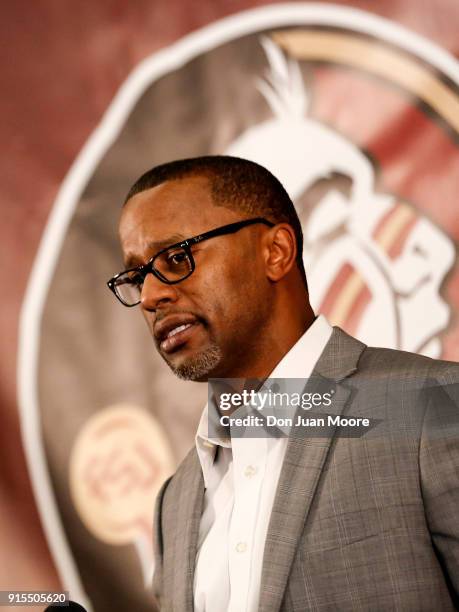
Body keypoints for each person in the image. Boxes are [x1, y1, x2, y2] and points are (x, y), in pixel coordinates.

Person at [108, 156, 459, 611]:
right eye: (136, 277)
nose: (152, 297)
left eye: (176, 258)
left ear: (276, 252)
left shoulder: (430, 409)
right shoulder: (175, 501)